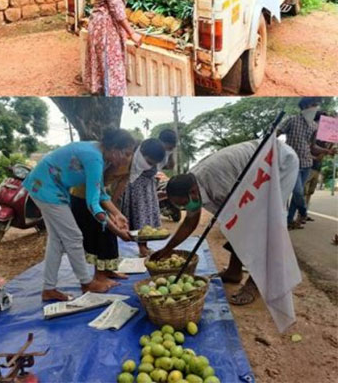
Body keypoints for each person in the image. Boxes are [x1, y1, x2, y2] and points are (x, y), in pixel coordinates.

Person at [150, 138, 299, 306]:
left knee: (261, 225)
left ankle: (256, 283)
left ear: (192, 191)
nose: (186, 208)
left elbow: (248, 223)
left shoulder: (218, 184)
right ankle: (234, 272)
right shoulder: (192, 183)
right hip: (255, 167)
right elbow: (190, 221)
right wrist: (168, 248)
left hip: (278, 163)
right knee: (238, 225)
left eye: (184, 204)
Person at [23, 128, 134, 301]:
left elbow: (99, 192)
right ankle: (87, 283)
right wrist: (116, 230)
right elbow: (92, 203)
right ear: (114, 148)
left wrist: (117, 213)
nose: (127, 159)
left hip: (47, 187)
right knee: (74, 237)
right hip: (46, 188)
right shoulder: (94, 158)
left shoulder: (101, 157)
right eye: (126, 154)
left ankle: (49, 288)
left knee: (57, 241)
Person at [279, 98, 331, 230]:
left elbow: (312, 147)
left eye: (316, 105)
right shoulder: (291, 120)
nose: (316, 108)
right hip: (292, 163)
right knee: (298, 192)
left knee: (297, 196)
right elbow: (277, 133)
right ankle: (303, 213)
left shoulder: (314, 126)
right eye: (313, 105)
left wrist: (327, 150)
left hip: (307, 163)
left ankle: (289, 221)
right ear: (305, 107)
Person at [115, 138, 166, 257]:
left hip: (148, 190)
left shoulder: (152, 160)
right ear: (141, 152)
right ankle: (142, 248)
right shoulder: (129, 160)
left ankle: (145, 246)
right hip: (136, 190)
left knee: (147, 219)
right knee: (139, 219)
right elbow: (122, 182)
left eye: (153, 163)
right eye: (149, 162)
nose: (150, 166)